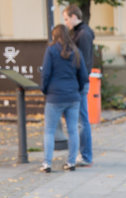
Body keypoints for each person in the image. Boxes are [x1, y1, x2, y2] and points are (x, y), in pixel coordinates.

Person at [40, 24, 88, 173]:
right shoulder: (76, 51)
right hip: (73, 96)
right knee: (73, 130)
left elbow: (46, 73)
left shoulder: (51, 50)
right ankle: (71, 162)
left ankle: (47, 164)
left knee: (49, 130)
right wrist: (77, 90)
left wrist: (45, 90)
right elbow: (83, 76)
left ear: (54, 36)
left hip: (55, 97)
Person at [63, 4, 95, 167]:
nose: (66, 22)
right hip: (80, 81)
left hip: (80, 82)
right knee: (81, 119)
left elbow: (82, 62)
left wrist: (77, 80)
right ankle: (84, 154)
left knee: (82, 120)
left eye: (67, 19)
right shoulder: (82, 33)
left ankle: (86, 156)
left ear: (74, 16)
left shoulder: (82, 34)